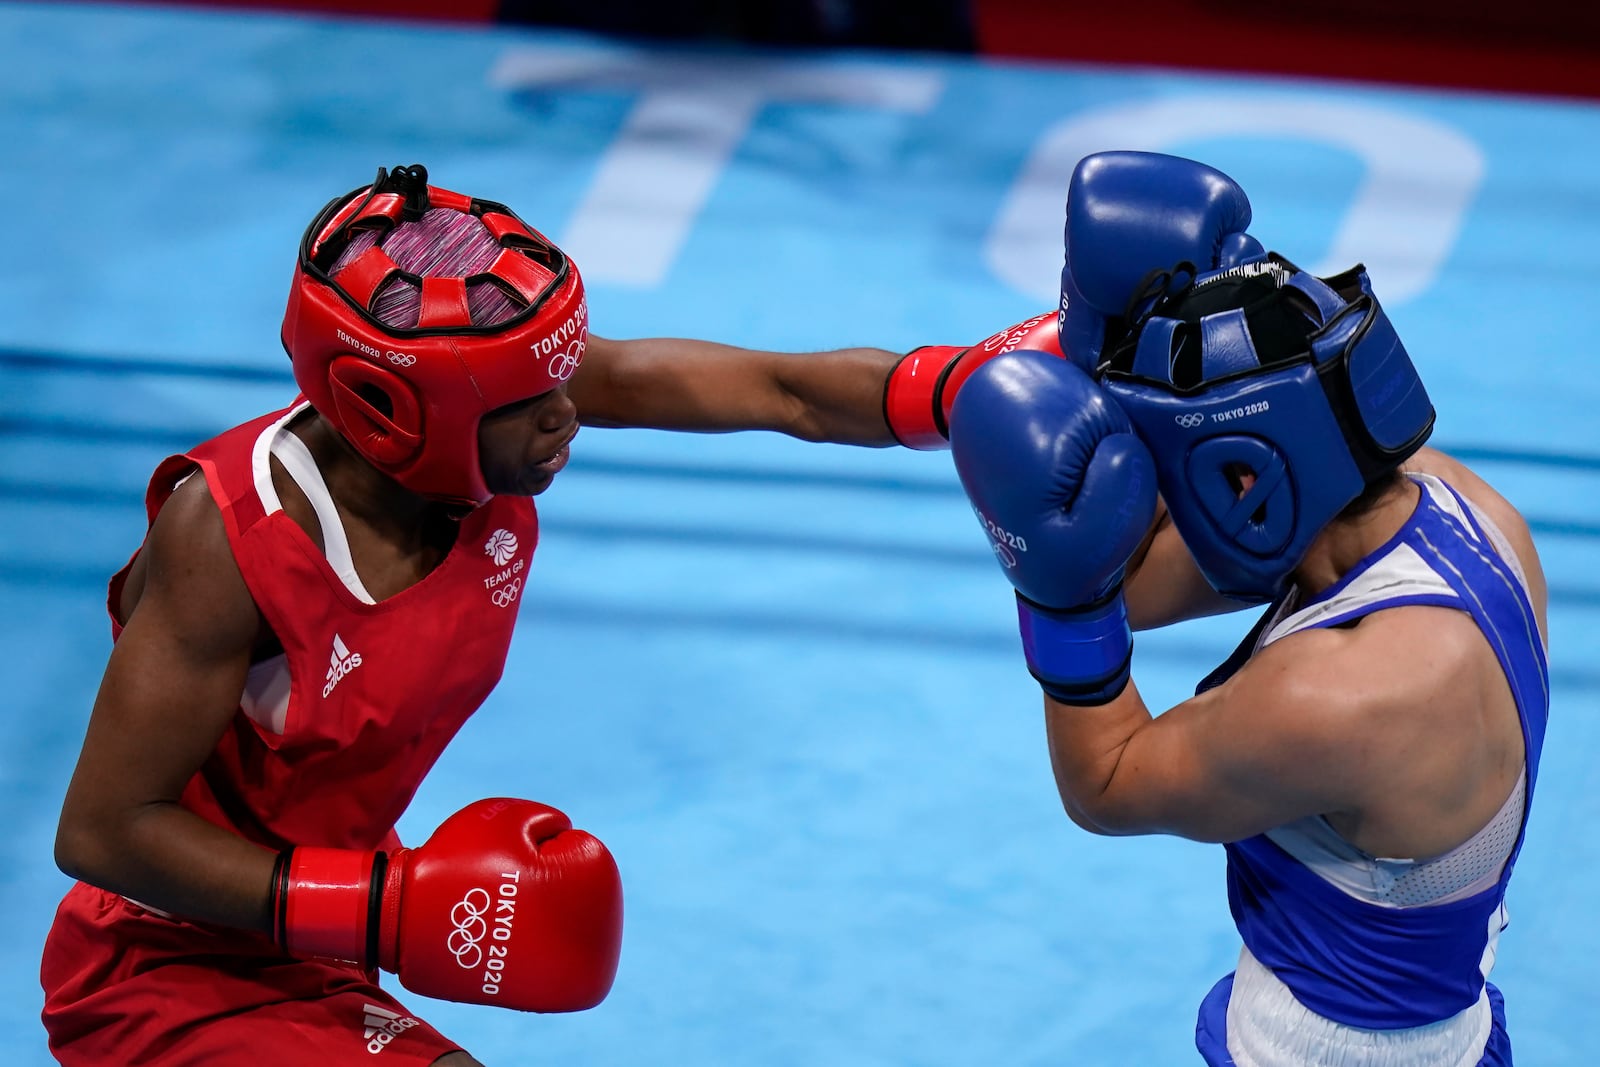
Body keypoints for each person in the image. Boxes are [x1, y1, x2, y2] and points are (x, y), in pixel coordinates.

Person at [40, 162, 1058, 1066]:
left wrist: (970, 385)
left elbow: (782, 390)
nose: (567, 411)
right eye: (531, 401)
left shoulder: (502, 410)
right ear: (400, 411)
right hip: (162, 961)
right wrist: (386, 909)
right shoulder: (229, 540)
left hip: (315, 931)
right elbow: (103, 828)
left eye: (562, 375)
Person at [948, 151, 1548, 1066]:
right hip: (1444, 1023)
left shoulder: (1337, 698)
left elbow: (1106, 785)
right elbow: (1142, 583)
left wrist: (1057, 596)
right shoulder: (1467, 510)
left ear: (1246, 476)